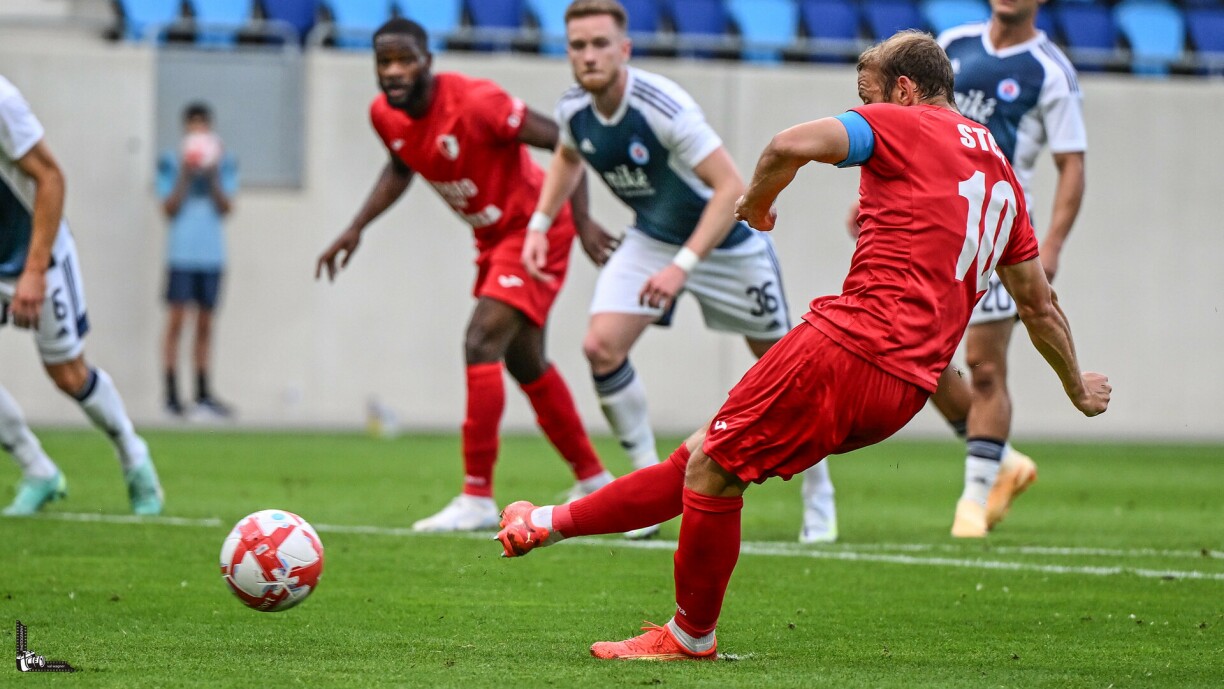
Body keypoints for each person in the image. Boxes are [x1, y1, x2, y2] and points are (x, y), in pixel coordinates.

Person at [494, 31, 1110, 660]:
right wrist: (1077, 386)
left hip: (849, 346)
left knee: (711, 469)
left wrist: (756, 205)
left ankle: (689, 636)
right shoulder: (1000, 171)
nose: (862, 109)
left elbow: (788, 143)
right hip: (906, 390)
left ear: (903, 89)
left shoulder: (901, 123)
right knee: (706, 454)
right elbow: (1038, 304)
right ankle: (544, 524)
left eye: (866, 97)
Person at [520, 0, 815, 538]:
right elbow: (566, 157)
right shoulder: (572, 110)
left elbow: (730, 186)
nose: (589, 56)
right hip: (652, 238)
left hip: (727, 243)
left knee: (785, 372)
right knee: (599, 346)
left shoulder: (661, 105)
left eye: (600, 44)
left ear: (624, 49)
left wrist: (682, 267)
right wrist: (539, 224)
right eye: (578, 46)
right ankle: (641, 488)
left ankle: (820, 497)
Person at [799, 0, 1089, 540]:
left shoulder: (1051, 70)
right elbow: (900, 122)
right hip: (929, 220)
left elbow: (1071, 163)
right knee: (921, 360)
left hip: (991, 227)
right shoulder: (953, 43)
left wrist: (1050, 243)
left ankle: (974, 503)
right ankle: (998, 461)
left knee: (983, 367)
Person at [315, 18, 615, 533]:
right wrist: (355, 228)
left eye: (405, 59)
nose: (394, 71)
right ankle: (595, 481)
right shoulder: (384, 115)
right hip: (494, 241)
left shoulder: (477, 103)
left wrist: (582, 219)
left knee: (480, 341)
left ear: (428, 60)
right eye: (384, 62)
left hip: (536, 230)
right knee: (525, 362)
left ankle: (476, 495)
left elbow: (568, 143)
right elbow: (400, 165)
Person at [0, 74, 164, 516]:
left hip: (35, 254)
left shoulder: (1, 100)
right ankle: (38, 470)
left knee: (67, 374)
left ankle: (134, 456)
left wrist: (34, 272)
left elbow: (51, 177)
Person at [157, 102, 239, 419]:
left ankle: (203, 394)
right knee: (176, 322)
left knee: (205, 324)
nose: (198, 132)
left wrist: (213, 172)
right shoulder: (169, 162)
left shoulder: (225, 161)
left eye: (203, 127)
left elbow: (226, 207)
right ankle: (171, 395)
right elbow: (168, 208)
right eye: (193, 127)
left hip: (212, 254)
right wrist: (185, 173)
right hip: (181, 252)